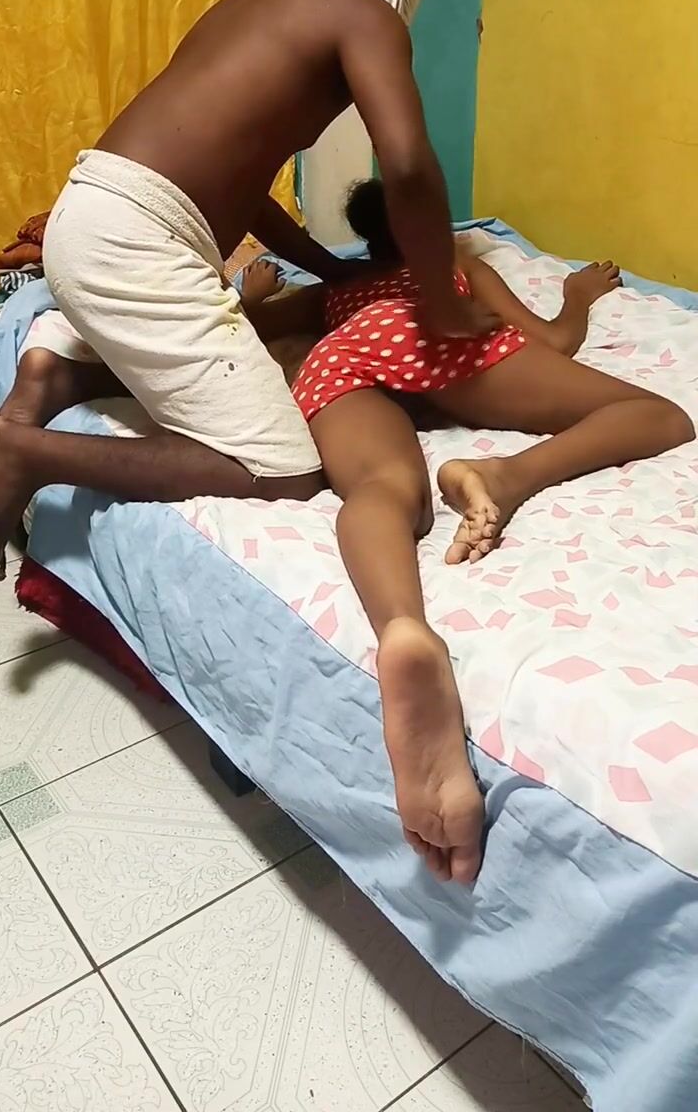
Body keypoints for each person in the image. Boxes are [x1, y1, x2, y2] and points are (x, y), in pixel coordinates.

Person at [0, 0, 486, 576]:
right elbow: (410, 167)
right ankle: (26, 454)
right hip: (136, 240)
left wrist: (327, 268)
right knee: (282, 468)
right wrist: (441, 304)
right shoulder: (366, 14)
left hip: (92, 210)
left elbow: (244, 191)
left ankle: (61, 374)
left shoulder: (252, 7)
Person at [279, 178, 693, 882]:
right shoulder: (457, 269)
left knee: (385, 490)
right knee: (659, 416)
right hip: (424, 331)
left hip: (342, 354)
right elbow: (555, 341)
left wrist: (262, 293)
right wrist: (578, 296)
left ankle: (403, 626)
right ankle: (505, 477)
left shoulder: (339, 289)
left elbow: (256, 317)